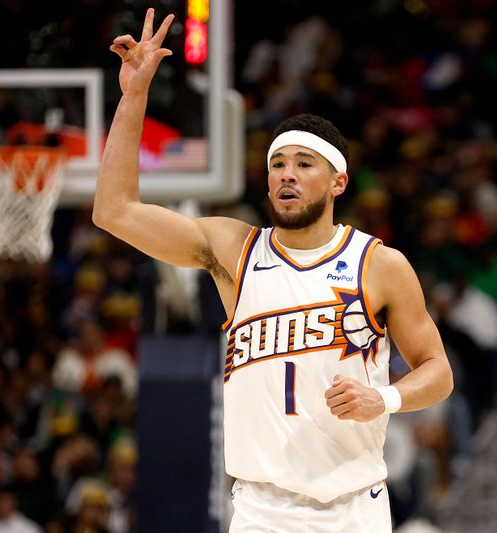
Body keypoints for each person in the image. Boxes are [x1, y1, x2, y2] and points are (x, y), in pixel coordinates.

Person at [93, 8, 454, 532]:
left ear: (338, 182)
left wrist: (385, 397)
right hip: (261, 511)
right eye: (278, 165)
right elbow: (114, 211)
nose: (288, 175)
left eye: (304, 165)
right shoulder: (233, 250)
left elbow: (438, 371)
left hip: (354, 508)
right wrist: (134, 95)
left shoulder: (378, 264)